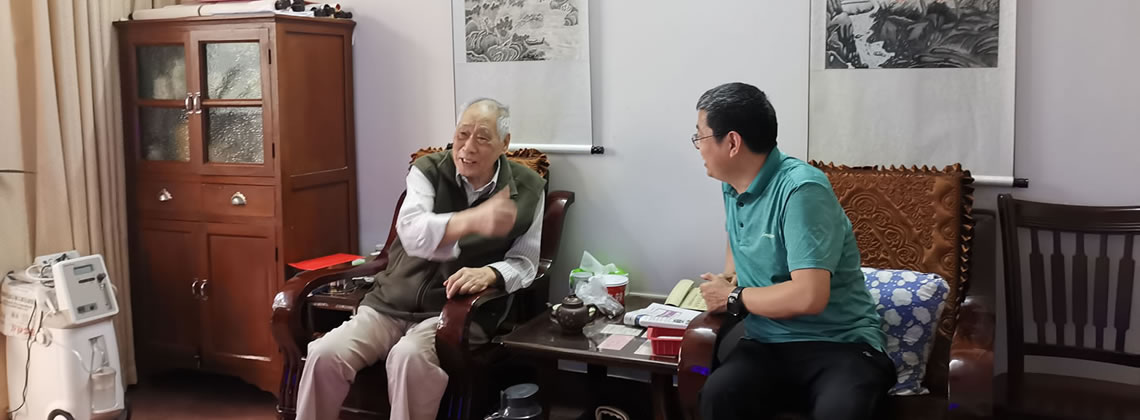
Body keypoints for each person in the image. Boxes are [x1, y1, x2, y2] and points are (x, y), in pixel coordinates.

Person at [295, 98, 546, 420]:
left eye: (482, 137)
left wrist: (492, 273)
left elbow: (525, 261)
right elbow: (413, 231)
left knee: (408, 357)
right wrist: (473, 220)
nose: (468, 147)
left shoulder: (528, 189)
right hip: (390, 301)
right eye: (462, 134)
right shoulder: (428, 170)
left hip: (454, 312)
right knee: (323, 354)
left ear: (504, 144)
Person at [692, 82, 896, 420]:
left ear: (732, 143)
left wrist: (734, 297)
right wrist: (730, 275)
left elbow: (809, 297)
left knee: (840, 412)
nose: (698, 146)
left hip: (839, 344)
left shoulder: (802, 190)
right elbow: (738, 239)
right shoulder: (732, 185)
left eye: (700, 136)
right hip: (766, 343)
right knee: (718, 395)